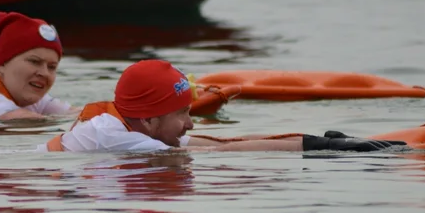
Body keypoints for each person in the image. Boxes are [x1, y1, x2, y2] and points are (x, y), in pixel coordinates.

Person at [44, 60, 406, 153]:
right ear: (151, 118)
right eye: (182, 114)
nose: (190, 125)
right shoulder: (116, 137)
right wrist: (321, 148)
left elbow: (228, 144)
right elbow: (222, 153)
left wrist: (318, 143)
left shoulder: (133, 129)